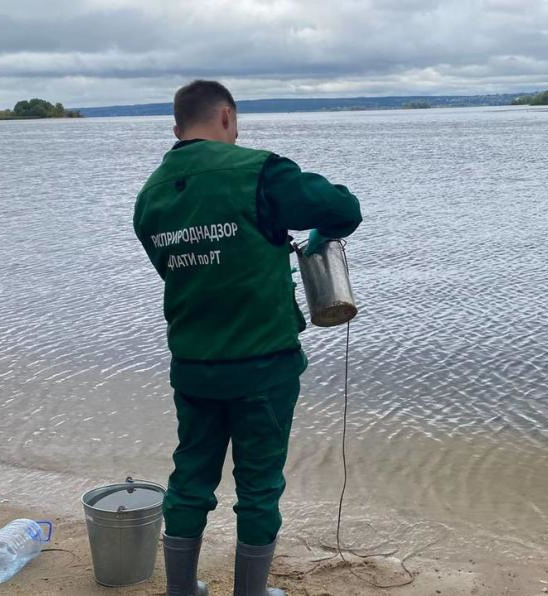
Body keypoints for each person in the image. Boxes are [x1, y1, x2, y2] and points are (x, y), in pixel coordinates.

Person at [133, 80, 362, 596]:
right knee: (259, 487)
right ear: (226, 117)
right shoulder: (259, 172)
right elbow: (345, 210)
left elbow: (171, 270)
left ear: (176, 128)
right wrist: (317, 234)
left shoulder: (149, 197)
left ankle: (181, 590)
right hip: (263, 365)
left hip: (193, 365)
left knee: (190, 478)